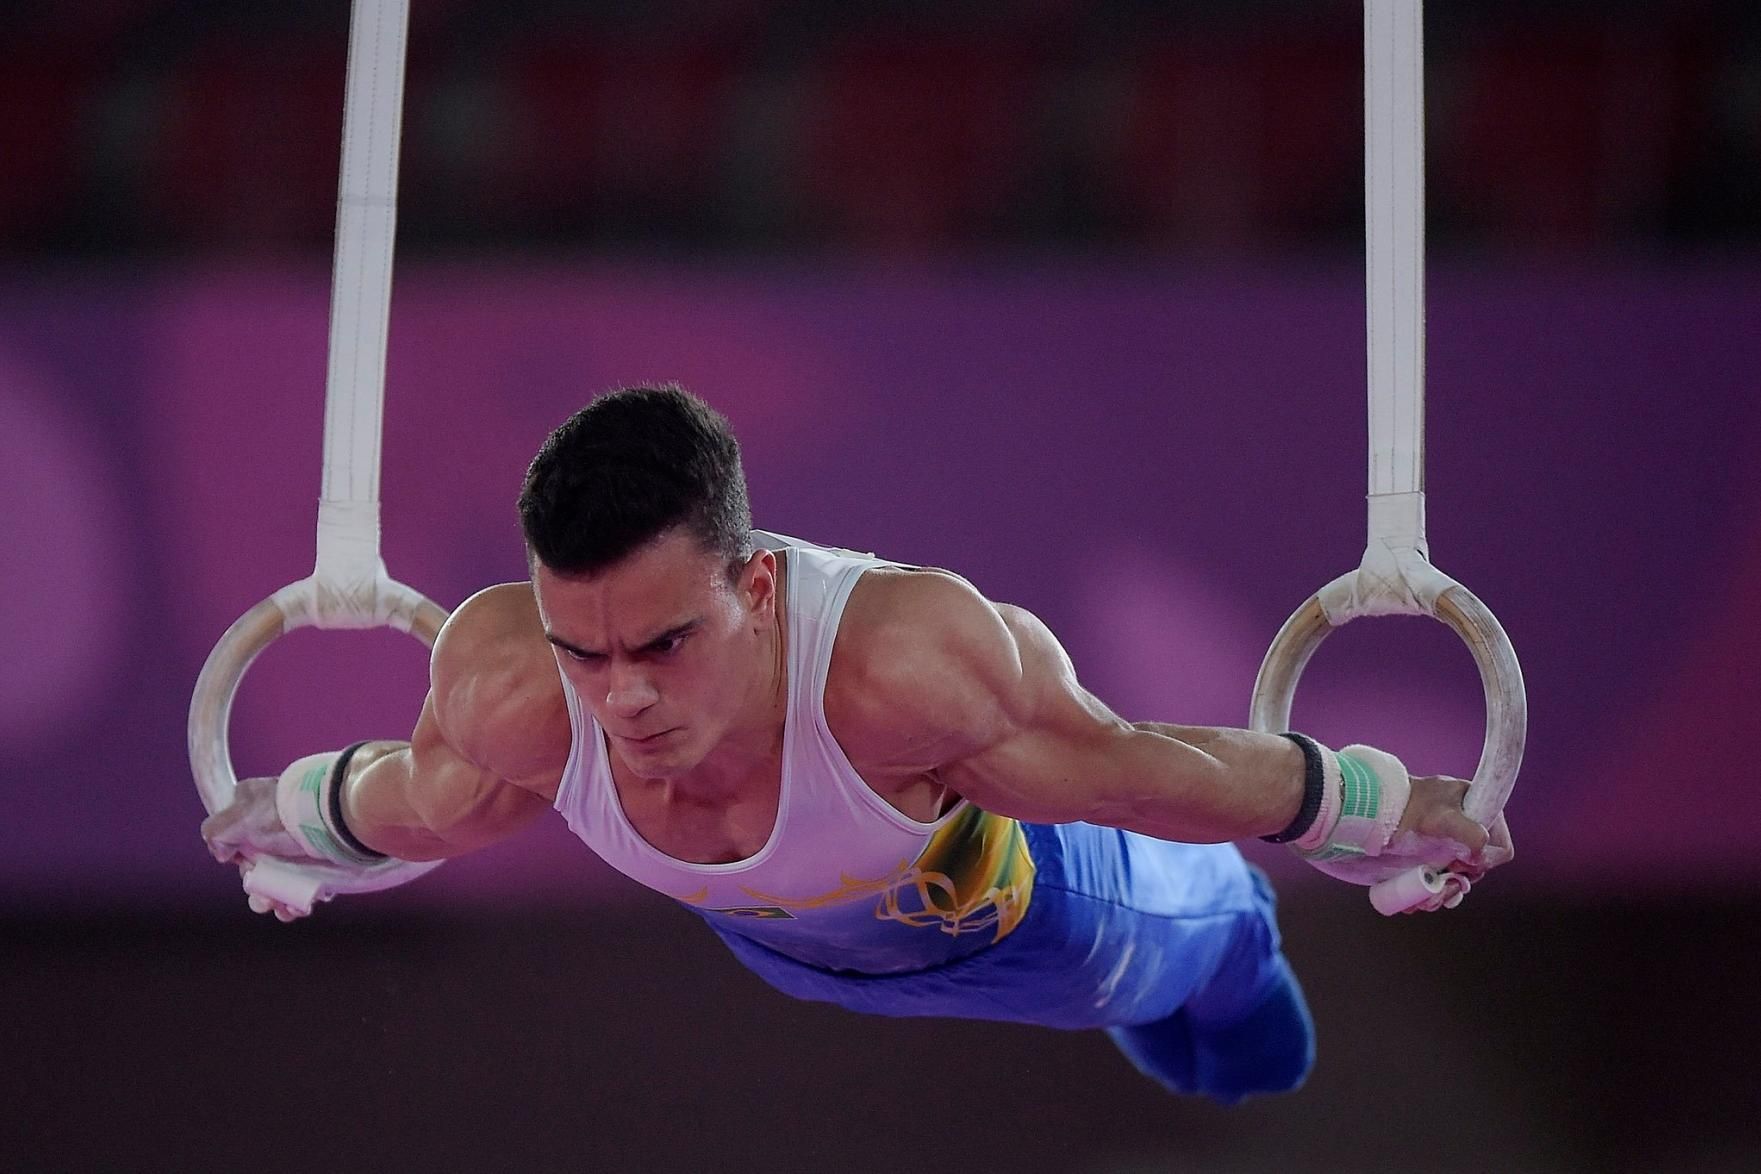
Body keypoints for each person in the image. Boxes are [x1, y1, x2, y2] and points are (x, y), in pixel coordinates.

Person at [203, 383, 1512, 1104]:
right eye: (582, 648)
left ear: (758, 589)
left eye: (663, 643)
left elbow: (1135, 767)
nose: (622, 699)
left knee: (1245, 1056)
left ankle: (1226, 963)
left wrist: (1371, 801)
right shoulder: (513, 696)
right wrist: (295, 820)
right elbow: (417, 806)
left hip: (1053, 917)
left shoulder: (898, 667)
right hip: (803, 955)